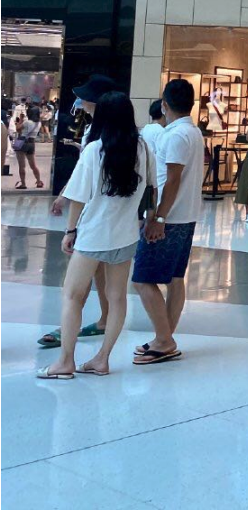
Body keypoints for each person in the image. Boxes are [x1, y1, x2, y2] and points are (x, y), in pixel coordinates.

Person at [35, 92, 150, 380]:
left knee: (72, 296)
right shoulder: (144, 148)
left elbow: (79, 197)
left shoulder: (96, 150)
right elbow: (151, 187)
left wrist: (70, 231)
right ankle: (102, 359)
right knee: (117, 298)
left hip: (93, 236)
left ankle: (65, 361)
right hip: (125, 236)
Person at [131, 79, 204, 365]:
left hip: (170, 217)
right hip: (185, 215)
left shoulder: (175, 136)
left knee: (143, 279)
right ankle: (165, 337)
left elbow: (171, 179)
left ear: (164, 104)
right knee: (175, 278)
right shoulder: (193, 132)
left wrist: (158, 216)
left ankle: (164, 339)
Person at [9, 104, 43, 189]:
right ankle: (39, 182)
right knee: (33, 165)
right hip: (32, 143)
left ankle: (23, 184)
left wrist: (20, 119)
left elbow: (17, 128)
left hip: (22, 142)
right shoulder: (38, 123)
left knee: (22, 166)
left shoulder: (27, 122)